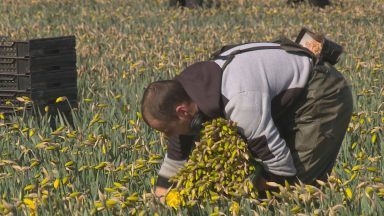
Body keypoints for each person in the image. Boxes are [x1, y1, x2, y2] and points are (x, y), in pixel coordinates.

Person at [141, 37, 353, 198]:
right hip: (286, 94)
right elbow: (178, 150)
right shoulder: (192, 89)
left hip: (322, 93)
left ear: (182, 111)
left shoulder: (239, 102)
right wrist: (162, 199)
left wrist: (254, 189)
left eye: (166, 130)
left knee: (296, 190)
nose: (168, 137)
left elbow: (281, 167)